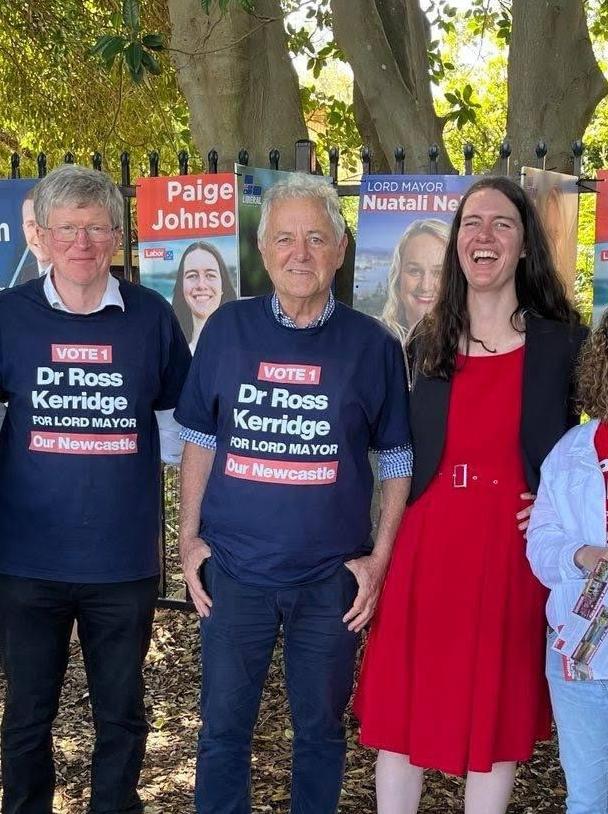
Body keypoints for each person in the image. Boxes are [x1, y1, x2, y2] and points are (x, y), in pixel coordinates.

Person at [174, 173, 412, 814]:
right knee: (222, 734)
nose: (299, 253)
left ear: (340, 249)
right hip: (234, 572)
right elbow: (198, 438)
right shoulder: (226, 329)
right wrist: (188, 538)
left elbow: (396, 457)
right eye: (284, 238)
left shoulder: (374, 345)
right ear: (262, 247)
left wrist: (379, 559)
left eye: (316, 237)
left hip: (328, 582)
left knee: (321, 735)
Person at [354, 176, 588, 814]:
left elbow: (584, 453)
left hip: (510, 551)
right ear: (458, 243)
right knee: (402, 713)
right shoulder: (423, 342)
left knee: (496, 719)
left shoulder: (563, 344)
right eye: (472, 224)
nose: (484, 236)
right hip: (426, 546)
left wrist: (557, 508)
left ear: (523, 246)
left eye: (502, 224)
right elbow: (398, 455)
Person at [0, 163, 191, 814]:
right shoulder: (9, 318)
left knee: (122, 714)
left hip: (122, 563)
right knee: (27, 715)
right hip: (26, 564)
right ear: (43, 237)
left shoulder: (152, 319)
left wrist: (186, 529)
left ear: (117, 235)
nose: (81, 242)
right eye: (67, 228)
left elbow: (179, 436)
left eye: (96, 228)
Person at [527, 310, 608, 814]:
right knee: (588, 798)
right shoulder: (571, 452)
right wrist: (581, 555)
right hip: (582, 653)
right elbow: (539, 544)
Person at [381, 218, 450, 344]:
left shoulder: (472, 345)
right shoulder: (375, 339)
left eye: (439, 273)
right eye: (414, 271)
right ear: (397, 277)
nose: (425, 286)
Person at [171, 240, 236, 353]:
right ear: (181, 286)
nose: (201, 285)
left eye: (210, 275)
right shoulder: (172, 354)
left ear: (223, 286)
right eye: (192, 275)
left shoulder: (242, 349)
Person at [10, 188, 52, 286]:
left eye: (44, 222)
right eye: (31, 224)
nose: (39, 233)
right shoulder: (25, 275)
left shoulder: (79, 274)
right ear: (24, 229)